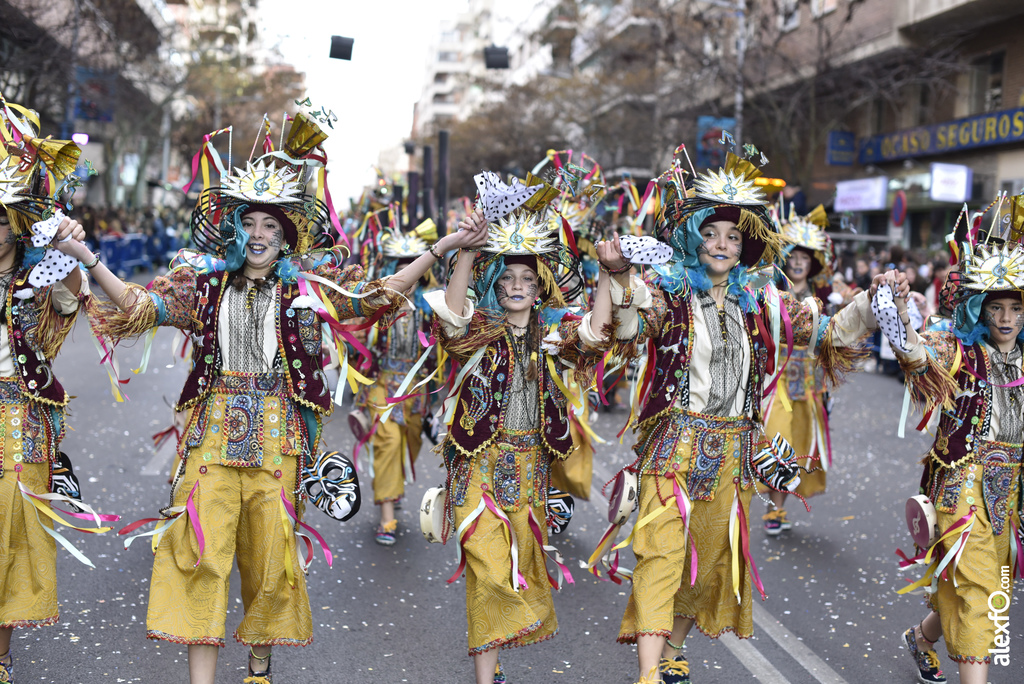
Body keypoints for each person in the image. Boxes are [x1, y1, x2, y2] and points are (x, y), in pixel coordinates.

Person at [69, 117, 489, 684]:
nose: (261, 232)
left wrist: (443, 248)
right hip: (212, 439)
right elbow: (141, 308)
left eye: (272, 223)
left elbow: (376, 298)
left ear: (287, 235)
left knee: (270, 565)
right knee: (198, 554)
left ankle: (259, 667)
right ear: (236, 230)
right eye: (251, 221)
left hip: (278, 442)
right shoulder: (206, 285)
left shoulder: (307, 290)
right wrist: (86, 258)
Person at [584, 149, 896, 684]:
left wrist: (876, 299)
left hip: (732, 453)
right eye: (713, 234)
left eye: (733, 236)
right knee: (660, 554)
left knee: (705, 562)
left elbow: (831, 334)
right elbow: (628, 328)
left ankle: (675, 645)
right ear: (695, 240)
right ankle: (648, 673)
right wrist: (616, 277)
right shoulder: (669, 296)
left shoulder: (765, 304)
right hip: (674, 447)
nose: (723, 245)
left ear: (745, 245)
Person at [428, 172, 606, 684]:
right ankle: (486, 677)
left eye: (526, 281)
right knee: (485, 567)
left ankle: (492, 661)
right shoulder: (481, 327)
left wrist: (610, 277)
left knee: (514, 564)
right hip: (479, 465)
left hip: (531, 468)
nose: (516, 289)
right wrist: (465, 252)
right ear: (494, 284)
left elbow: (594, 335)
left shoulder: (554, 332)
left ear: (539, 287)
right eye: (506, 280)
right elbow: (452, 319)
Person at [880, 217, 1024, 684]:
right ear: (978, 310)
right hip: (961, 486)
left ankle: (921, 638)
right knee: (979, 589)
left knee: (967, 583)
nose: (1005, 319)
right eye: (995, 307)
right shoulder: (959, 349)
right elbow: (918, 354)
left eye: (1015, 309)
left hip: (1010, 493)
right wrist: (900, 311)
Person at [0, 97, 113, 683]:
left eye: (2, 217)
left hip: (21, 416)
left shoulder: (36, 275)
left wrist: (70, 245)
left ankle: (0, 655)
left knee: (13, 535)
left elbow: (74, 305)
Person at [359, 220, 441, 545]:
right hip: (383, 384)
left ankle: (393, 489)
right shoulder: (378, 307)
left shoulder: (431, 306)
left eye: (413, 270)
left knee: (409, 441)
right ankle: (387, 516)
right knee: (388, 443)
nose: (407, 276)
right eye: (400, 270)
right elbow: (360, 349)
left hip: (417, 389)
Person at [761, 204, 837, 534]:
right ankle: (770, 504)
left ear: (812, 264)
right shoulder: (770, 294)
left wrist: (827, 390)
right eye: (793, 258)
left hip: (808, 387)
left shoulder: (822, 301)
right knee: (780, 441)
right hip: (776, 382)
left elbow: (828, 346)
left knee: (799, 448)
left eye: (804, 260)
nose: (798, 264)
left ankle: (779, 508)